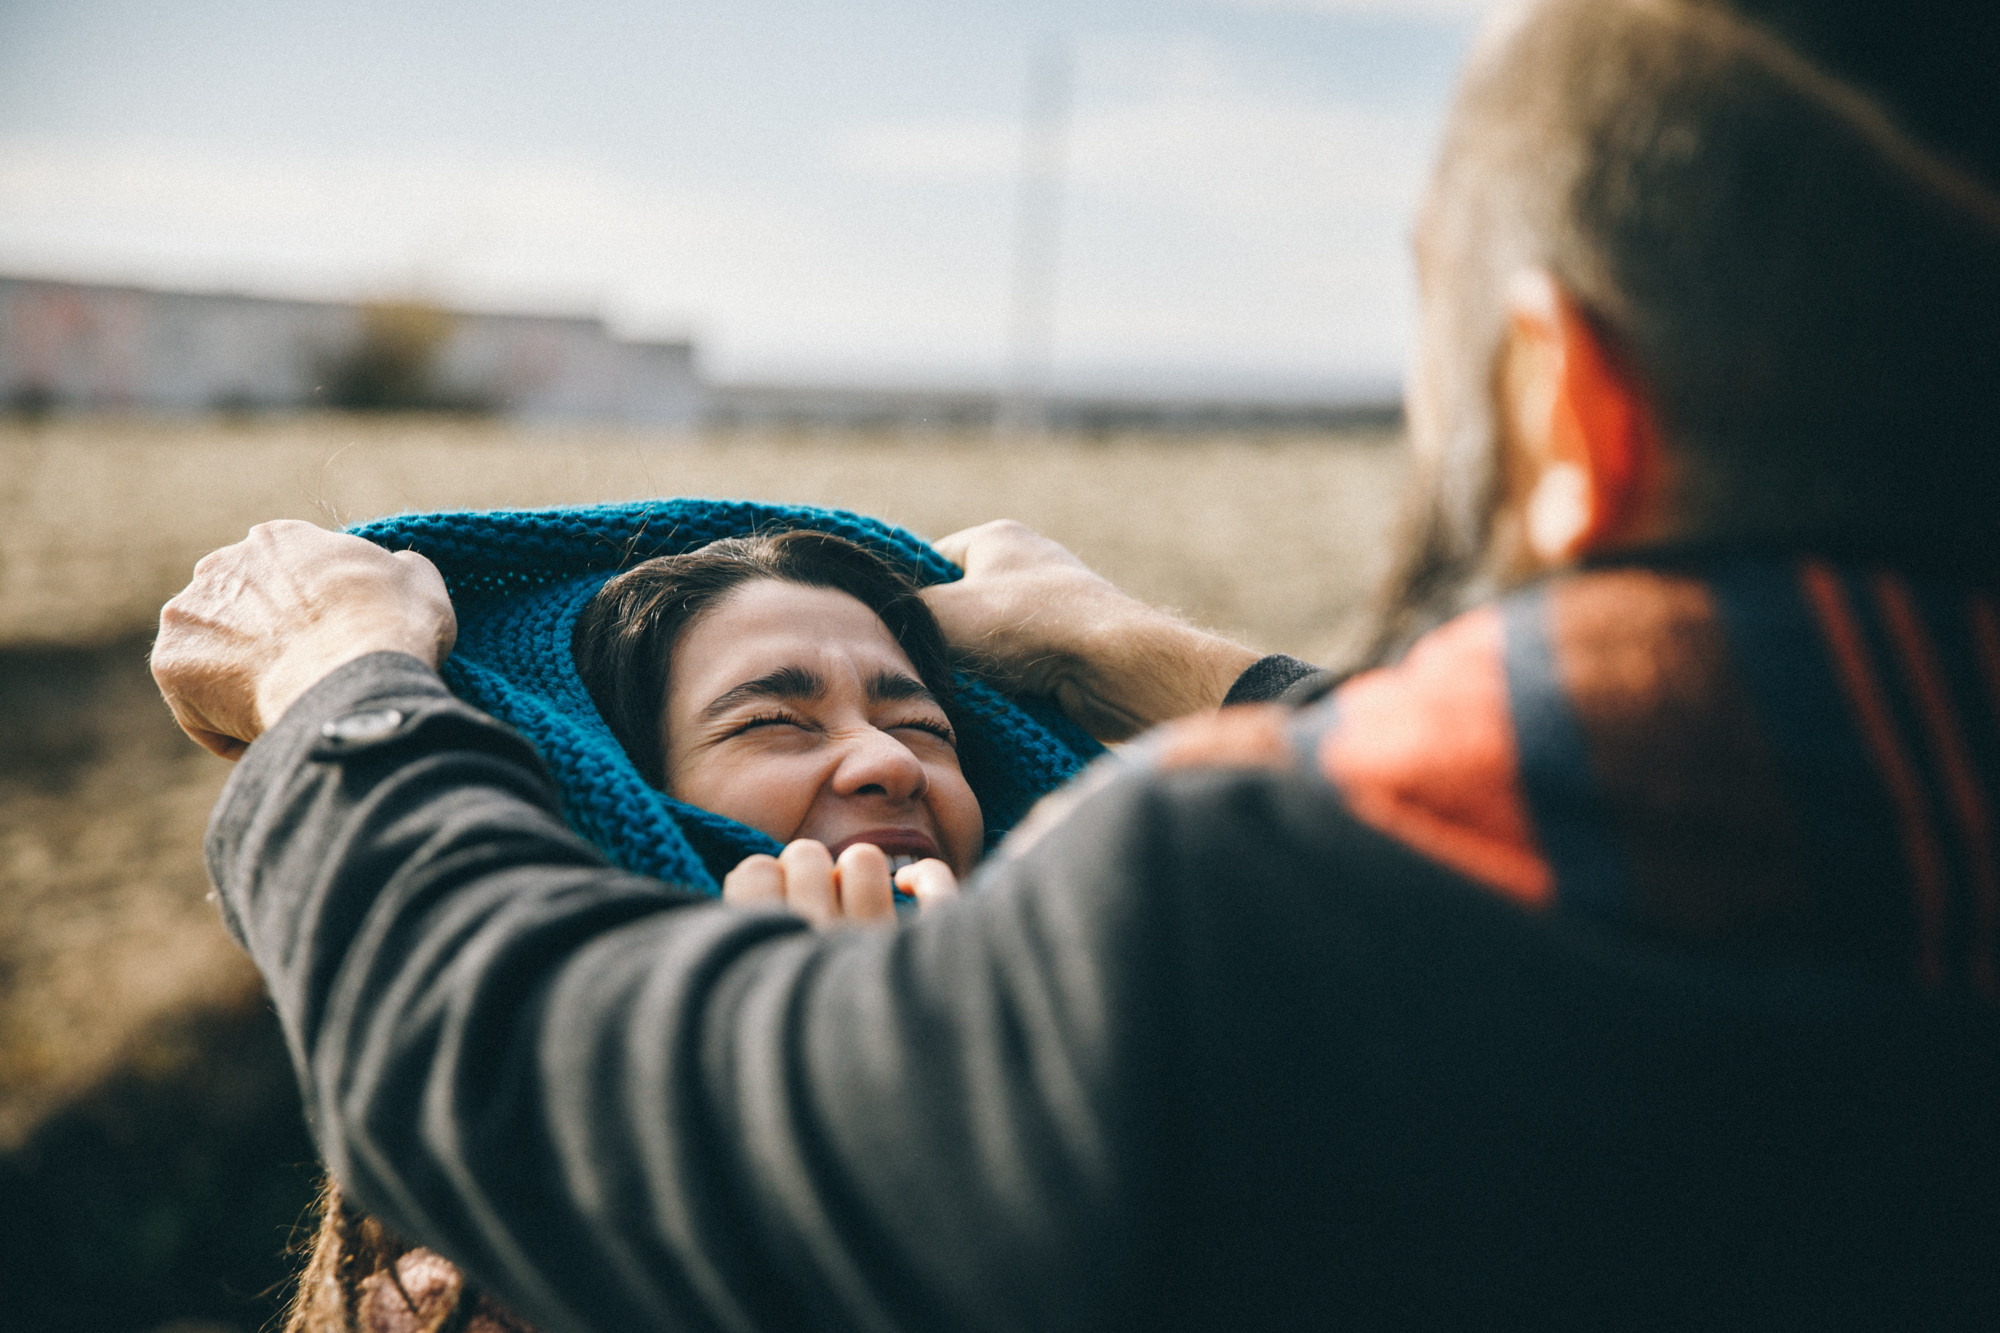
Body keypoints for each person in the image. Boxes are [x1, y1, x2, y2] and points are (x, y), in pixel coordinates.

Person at [154, 0, 2000, 1326]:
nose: (878, 755)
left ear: (1557, 399)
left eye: (910, 702)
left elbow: (527, 1071)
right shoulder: (1882, 804)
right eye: (771, 710)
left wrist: (337, 675)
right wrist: (1150, 653)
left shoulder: (1226, 919)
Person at [285, 527, 1070, 1331]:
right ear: (616, 799)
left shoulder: (1109, 1098)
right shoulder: (477, 1285)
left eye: (925, 727)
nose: (890, 761)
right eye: (775, 719)